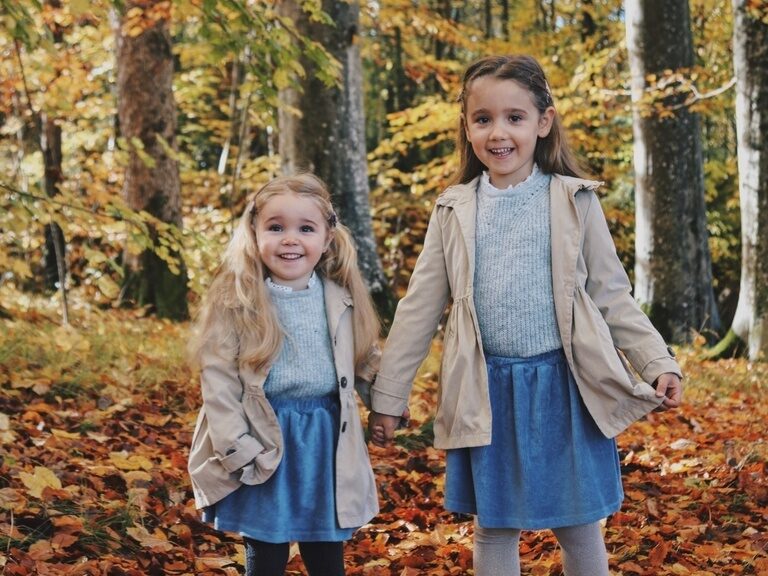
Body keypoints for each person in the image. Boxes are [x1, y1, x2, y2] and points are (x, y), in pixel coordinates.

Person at [368, 55, 683, 576]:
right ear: (467, 128)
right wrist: (388, 397)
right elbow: (418, 310)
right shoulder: (454, 210)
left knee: (579, 523)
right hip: (487, 390)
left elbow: (611, 293)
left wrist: (656, 362)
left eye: (515, 117)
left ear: (543, 122)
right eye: (483, 118)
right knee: (495, 525)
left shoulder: (572, 200)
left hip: (565, 386)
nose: (499, 132)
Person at [188, 173, 381, 576]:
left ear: (327, 238)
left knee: (326, 549)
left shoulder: (341, 296)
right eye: (276, 228)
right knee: (267, 549)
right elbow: (218, 383)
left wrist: (386, 406)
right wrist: (238, 447)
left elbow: (363, 359)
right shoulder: (238, 299)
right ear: (254, 233)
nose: (290, 239)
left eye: (305, 229)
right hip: (263, 438)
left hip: (325, 440)